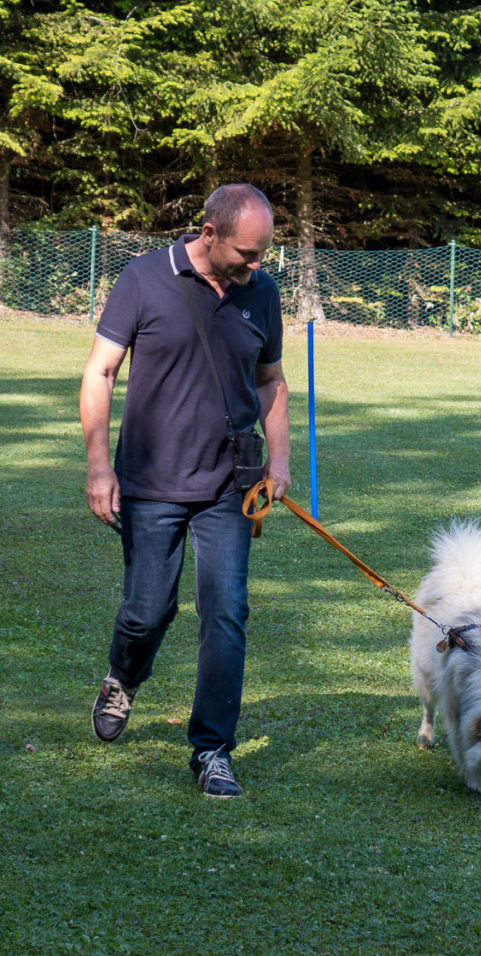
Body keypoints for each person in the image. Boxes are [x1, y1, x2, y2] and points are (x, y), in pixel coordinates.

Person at [80, 183, 290, 798]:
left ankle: (212, 750)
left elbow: (271, 380)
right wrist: (99, 466)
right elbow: (100, 370)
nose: (257, 264)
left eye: (263, 252)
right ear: (209, 233)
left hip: (229, 484)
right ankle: (123, 677)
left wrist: (279, 461)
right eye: (247, 253)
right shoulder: (144, 279)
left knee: (226, 612)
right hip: (150, 480)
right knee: (148, 611)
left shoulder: (262, 292)